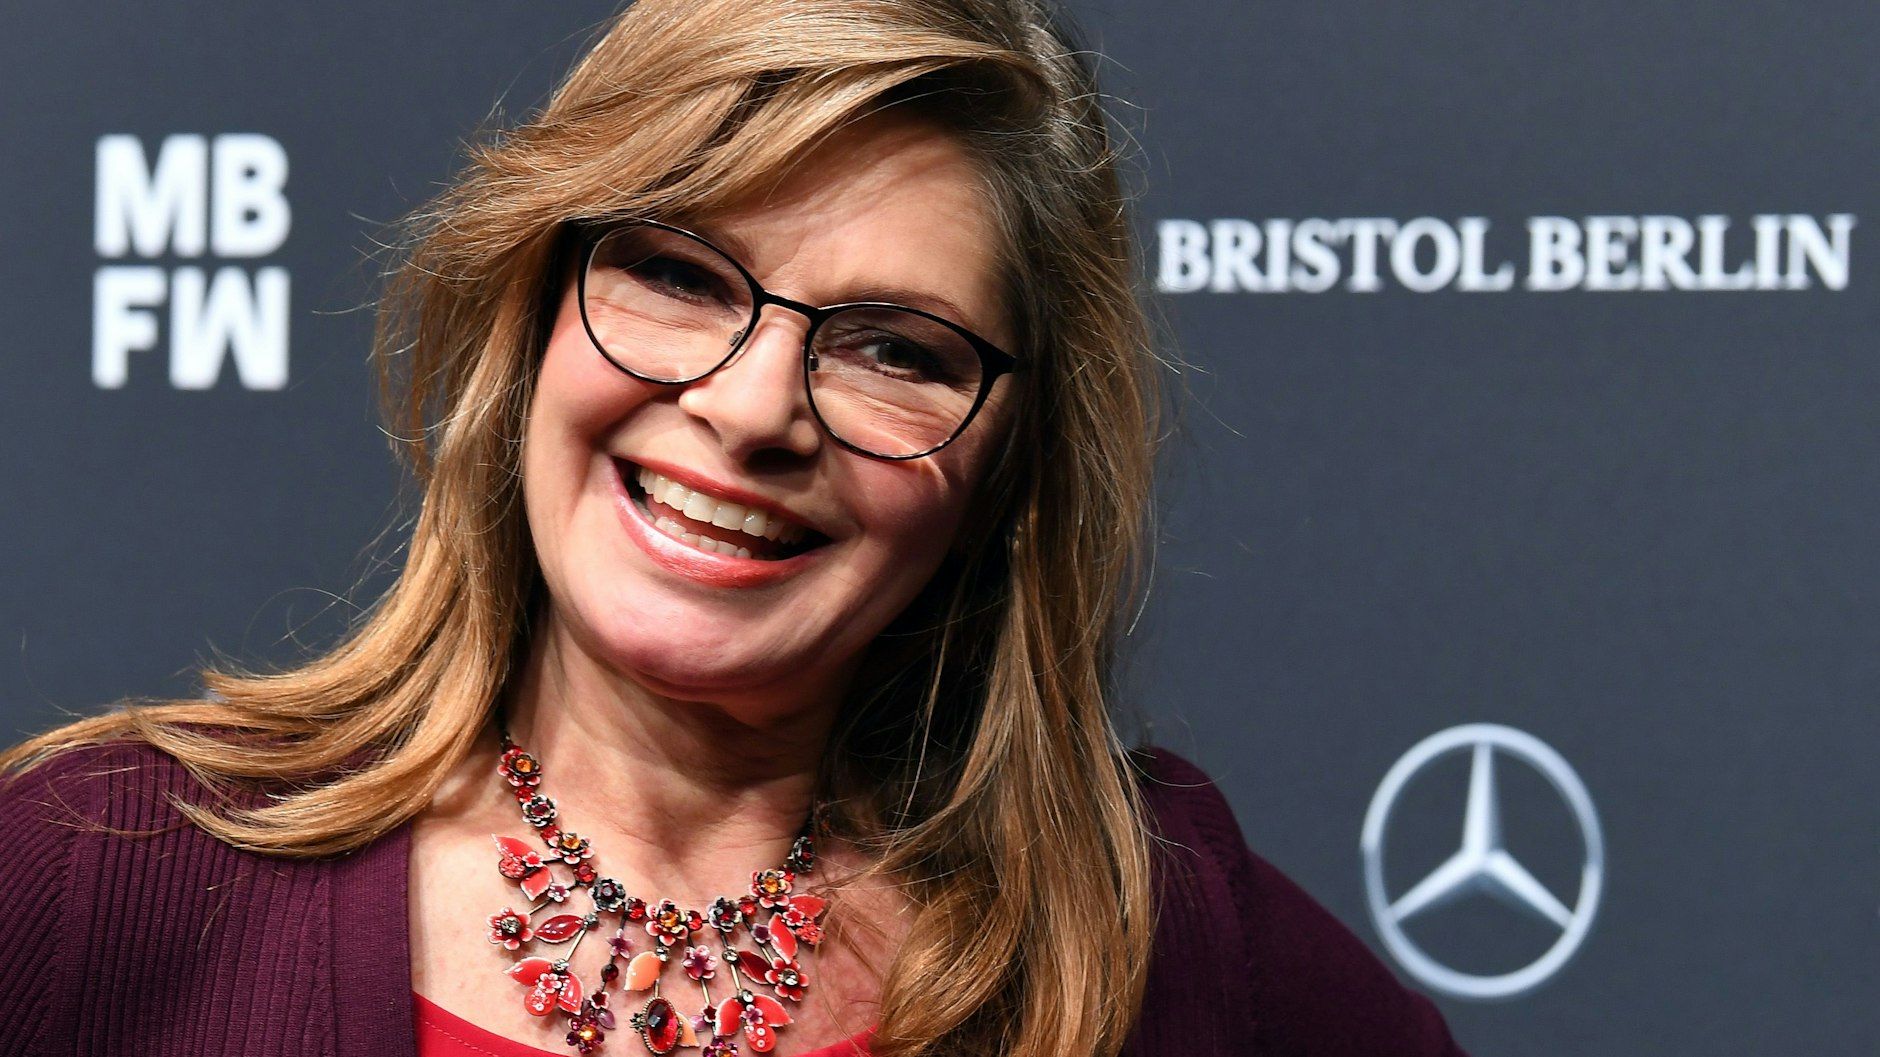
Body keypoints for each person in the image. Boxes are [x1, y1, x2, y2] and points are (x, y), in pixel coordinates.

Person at [0, 1, 1467, 1055]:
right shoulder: (91, 874)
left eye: (895, 350)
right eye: (679, 275)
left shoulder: (1161, 949)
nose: (754, 407)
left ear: (1010, 469)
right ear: (532, 316)